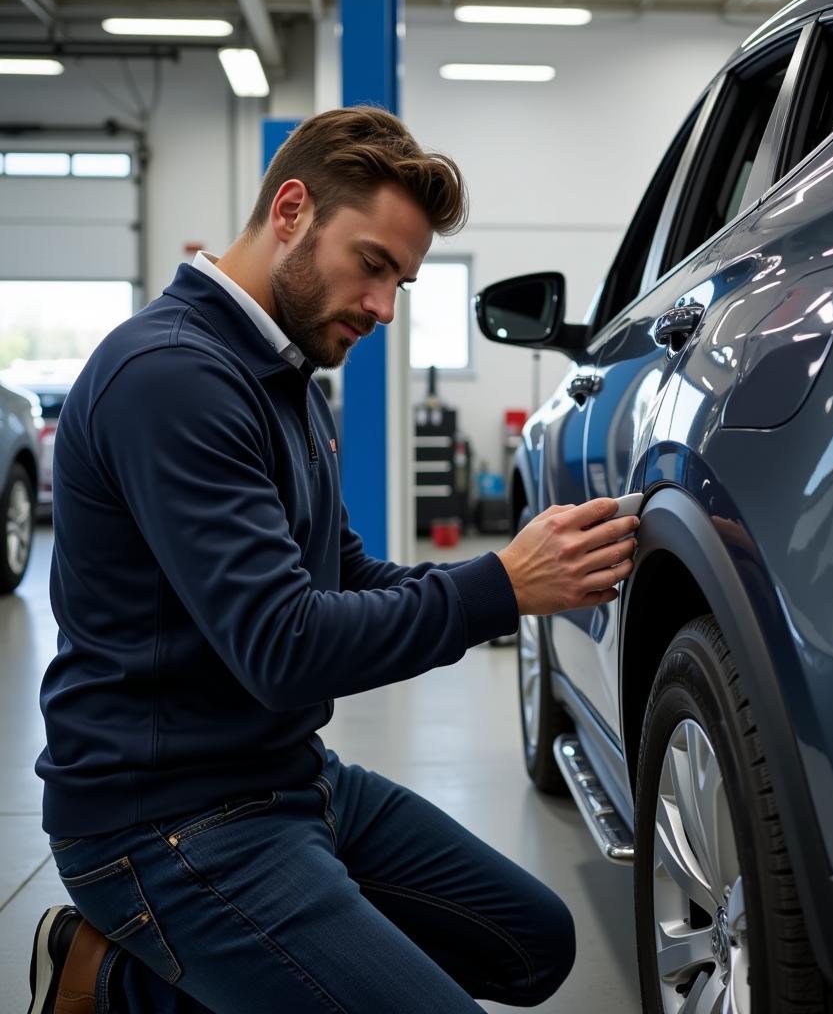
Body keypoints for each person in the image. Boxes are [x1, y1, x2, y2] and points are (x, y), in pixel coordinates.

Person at [27, 107, 638, 1014]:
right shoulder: (171, 379)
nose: (385, 307)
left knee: (534, 947)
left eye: (404, 281)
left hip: (291, 779)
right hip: (164, 820)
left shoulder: (285, 377)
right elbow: (285, 648)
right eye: (374, 265)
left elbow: (343, 573)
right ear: (291, 210)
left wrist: (518, 582)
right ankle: (105, 979)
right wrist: (498, 586)